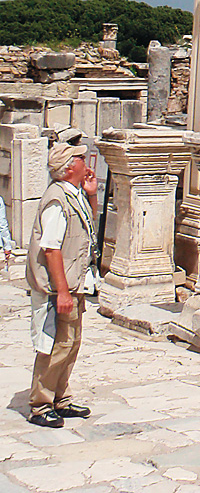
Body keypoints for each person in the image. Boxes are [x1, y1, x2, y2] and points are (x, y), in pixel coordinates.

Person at [26, 136, 98, 428]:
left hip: (74, 281)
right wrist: (62, 292)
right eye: (81, 158)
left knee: (71, 343)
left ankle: (61, 397)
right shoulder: (56, 200)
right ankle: (41, 404)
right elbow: (51, 248)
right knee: (56, 344)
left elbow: (87, 229)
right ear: (69, 168)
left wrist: (91, 194)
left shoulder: (73, 193)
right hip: (60, 286)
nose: (86, 162)